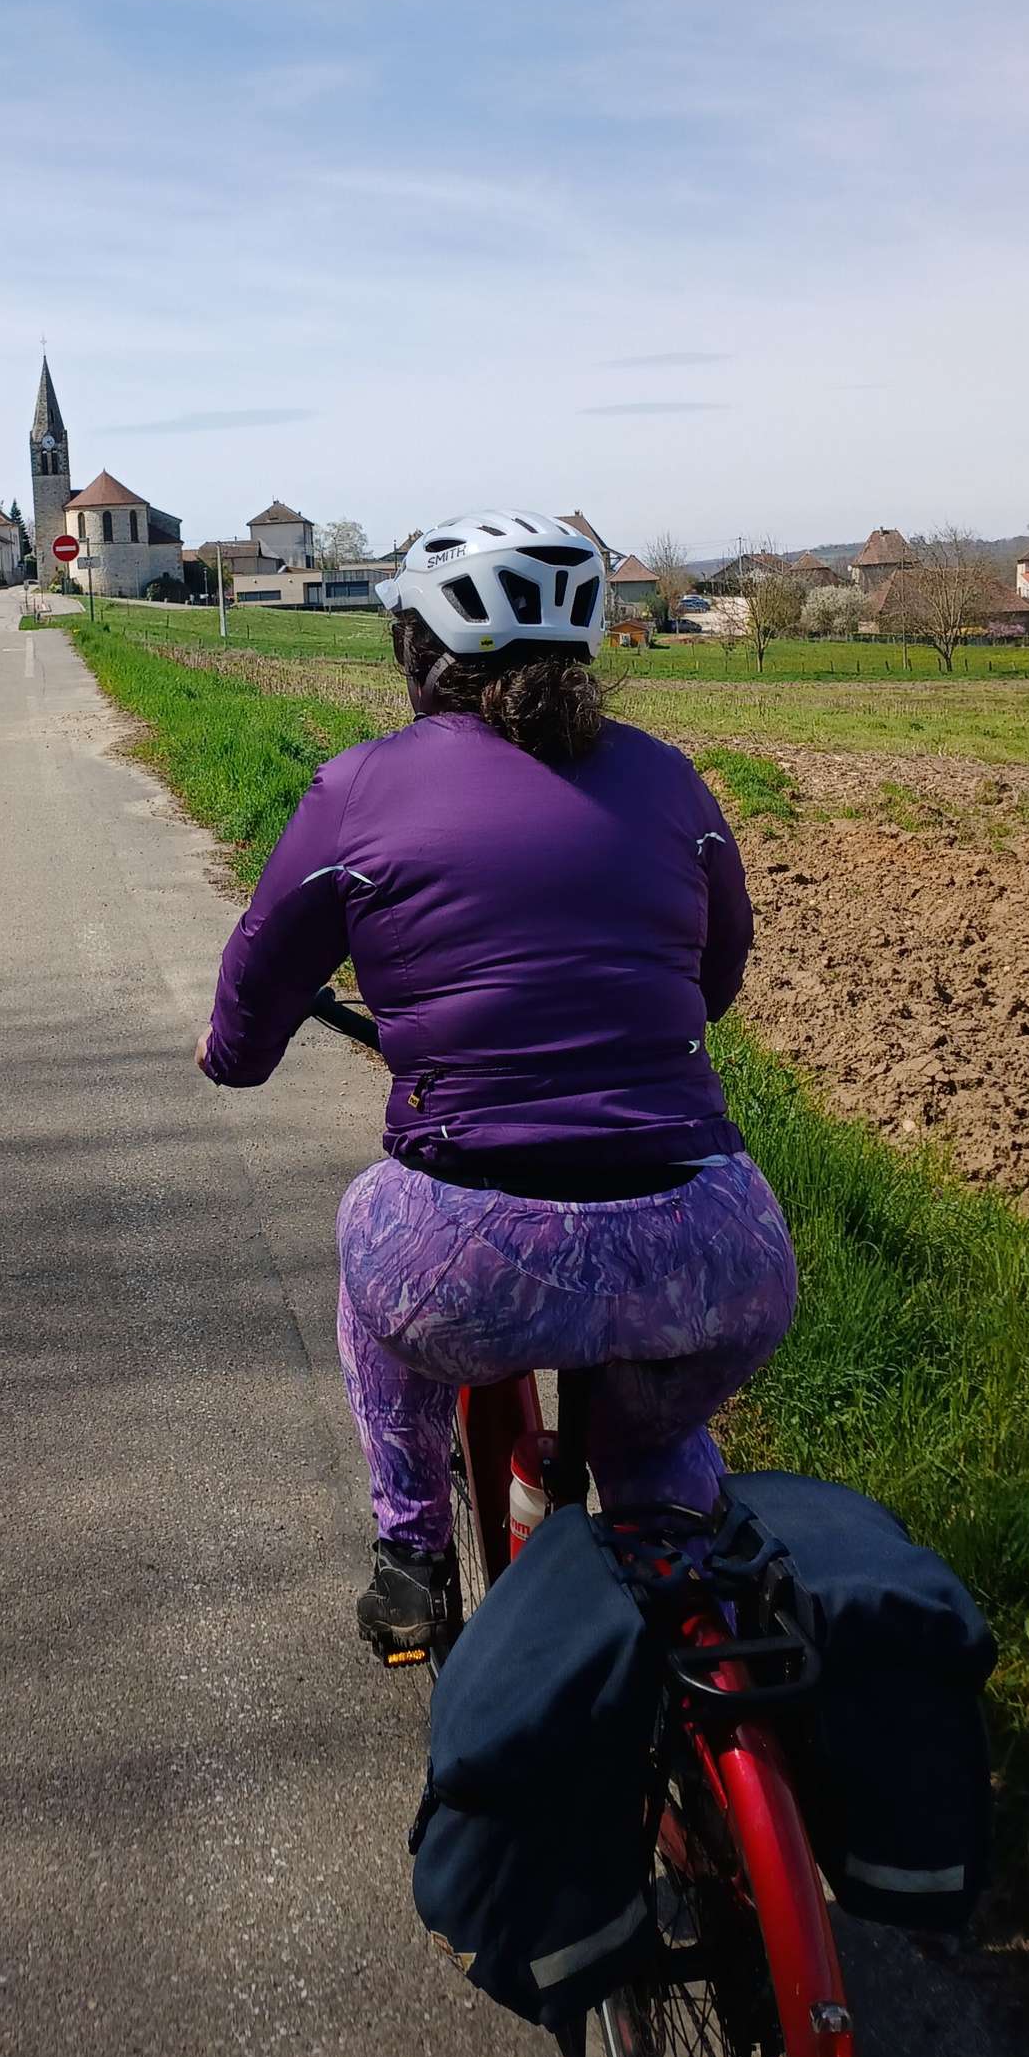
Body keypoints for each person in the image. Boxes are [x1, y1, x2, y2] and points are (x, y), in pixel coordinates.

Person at [196, 510, 798, 1661]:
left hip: (468, 1260)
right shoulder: (669, 780)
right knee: (651, 1445)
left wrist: (228, 1054)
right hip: (717, 1248)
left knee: (368, 1241)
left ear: (416, 653)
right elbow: (714, 981)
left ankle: (411, 1552)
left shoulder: (358, 790)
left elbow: (257, 979)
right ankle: (715, 1649)